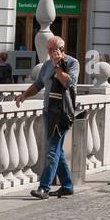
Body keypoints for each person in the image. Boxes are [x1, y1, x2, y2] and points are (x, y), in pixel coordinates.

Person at [14, 36, 80, 198]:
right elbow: (38, 84)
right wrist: (24, 95)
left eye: (52, 49)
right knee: (57, 150)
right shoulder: (46, 65)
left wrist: (58, 65)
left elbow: (68, 82)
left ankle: (44, 187)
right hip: (48, 112)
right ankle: (67, 185)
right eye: (48, 49)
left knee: (52, 150)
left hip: (63, 113)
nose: (49, 52)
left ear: (61, 49)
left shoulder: (72, 63)